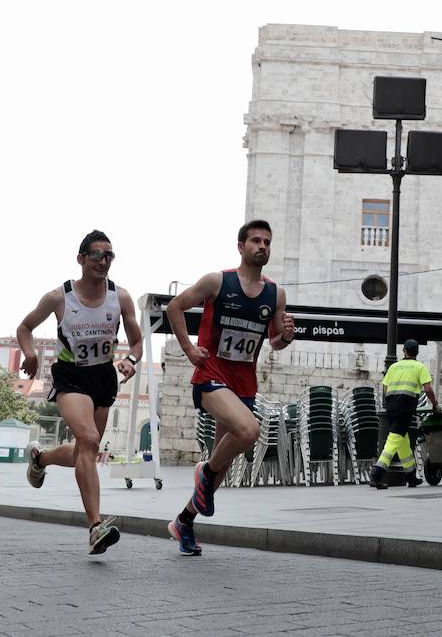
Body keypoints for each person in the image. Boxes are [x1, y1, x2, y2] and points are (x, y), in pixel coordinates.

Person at [164, 220, 294, 556]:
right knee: (250, 431)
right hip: (211, 375)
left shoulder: (275, 294)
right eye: (255, 240)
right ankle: (202, 472)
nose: (262, 246)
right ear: (241, 246)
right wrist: (190, 349)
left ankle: (183, 521)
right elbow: (175, 307)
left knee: (220, 470)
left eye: (267, 241)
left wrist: (286, 337)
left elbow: (275, 341)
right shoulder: (217, 281)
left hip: (244, 383)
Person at [18, 230, 143, 557]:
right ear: (81, 259)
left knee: (84, 452)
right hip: (70, 376)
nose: (104, 261)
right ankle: (95, 526)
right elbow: (24, 327)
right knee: (88, 440)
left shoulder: (121, 298)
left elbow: (138, 342)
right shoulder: (59, 297)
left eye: (110, 256)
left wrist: (130, 360)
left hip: (102, 376)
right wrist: (29, 354)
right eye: (98, 255)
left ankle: (40, 458)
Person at [370, 339, 441, 490]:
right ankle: (377, 473)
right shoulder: (420, 367)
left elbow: (385, 387)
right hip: (406, 406)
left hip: (391, 405)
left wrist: (389, 404)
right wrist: (435, 404)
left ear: (404, 351)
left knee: (403, 441)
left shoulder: (393, 367)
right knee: (394, 440)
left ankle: (410, 476)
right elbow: (428, 389)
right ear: (417, 352)